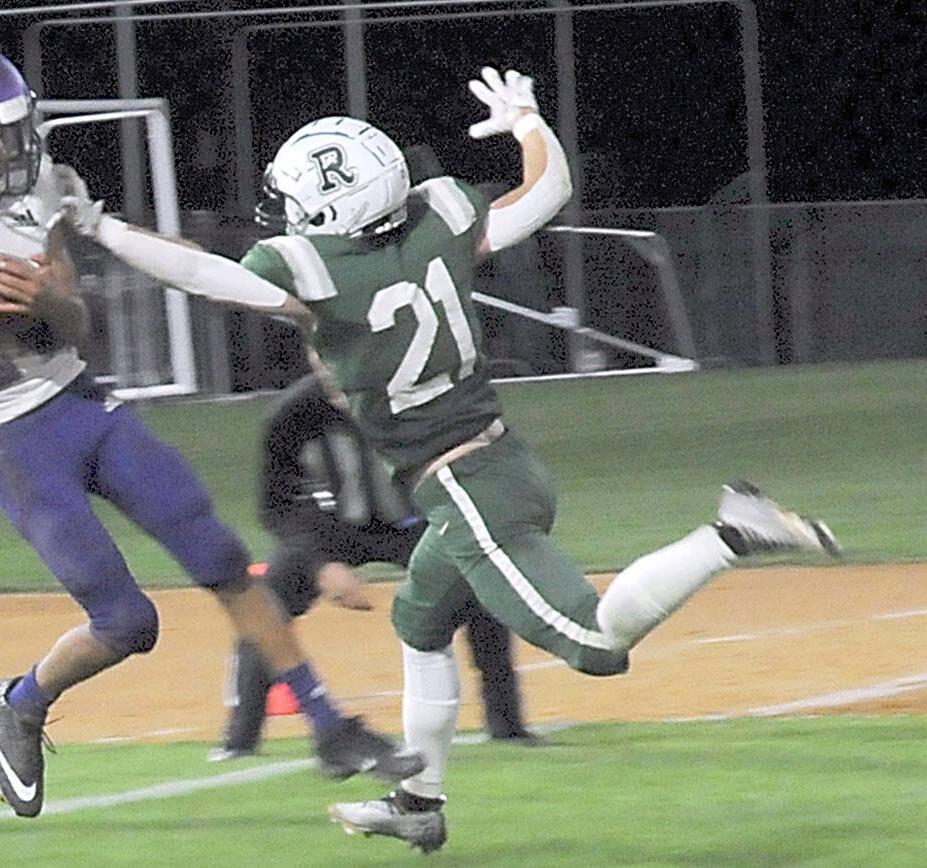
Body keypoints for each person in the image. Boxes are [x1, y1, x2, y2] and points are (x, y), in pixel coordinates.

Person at [54, 63, 841, 852]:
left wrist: (102, 227)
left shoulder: (317, 269)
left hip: (462, 485)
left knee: (598, 646)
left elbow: (200, 272)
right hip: (498, 459)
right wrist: (528, 121)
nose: (288, 216)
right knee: (420, 618)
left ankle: (730, 531)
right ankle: (418, 802)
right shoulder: (441, 210)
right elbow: (544, 193)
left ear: (332, 208)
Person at [0, 41, 423, 820]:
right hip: (5, 437)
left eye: (13, 133)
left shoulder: (41, 189)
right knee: (126, 622)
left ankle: (330, 727)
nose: (5, 152)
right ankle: (18, 703)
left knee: (219, 554)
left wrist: (46, 298)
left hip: (79, 401)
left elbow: (79, 321)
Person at [209, 369, 538, 762]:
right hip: (328, 529)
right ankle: (239, 738)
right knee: (265, 603)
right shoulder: (291, 415)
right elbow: (276, 508)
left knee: (478, 584)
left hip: (413, 520)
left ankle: (507, 725)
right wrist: (319, 565)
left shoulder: (416, 403)